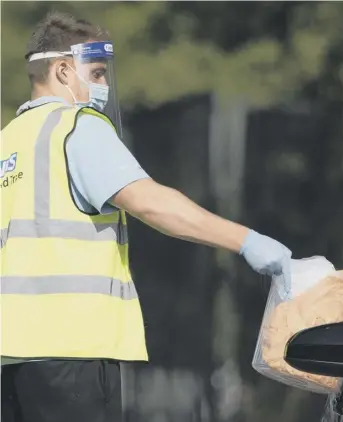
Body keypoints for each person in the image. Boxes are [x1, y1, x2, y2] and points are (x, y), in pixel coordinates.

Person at [0, 12, 292, 422]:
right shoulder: (77, 128)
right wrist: (246, 240)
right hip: (71, 350)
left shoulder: (8, 140)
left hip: (10, 355)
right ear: (63, 70)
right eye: (97, 73)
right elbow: (152, 203)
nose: (103, 87)